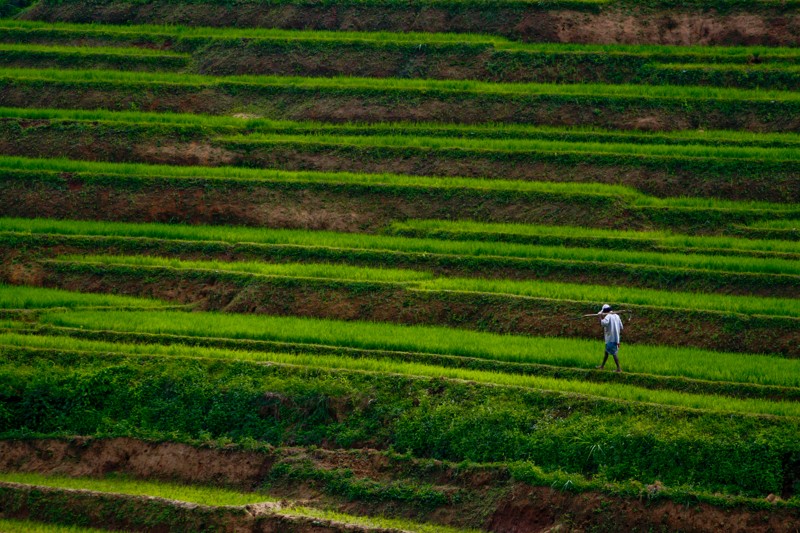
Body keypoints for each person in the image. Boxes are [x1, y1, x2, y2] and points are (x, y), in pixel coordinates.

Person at [595, 304, 623, 373]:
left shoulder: (608, 316)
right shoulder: (617, 316)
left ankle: (619, 368)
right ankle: (602, 366)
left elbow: (603, 324)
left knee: (614, 353)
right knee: (606, 352)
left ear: (605, 311)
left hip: (611, 338)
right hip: (616, 338)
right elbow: (621, 327)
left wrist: (599, 317)